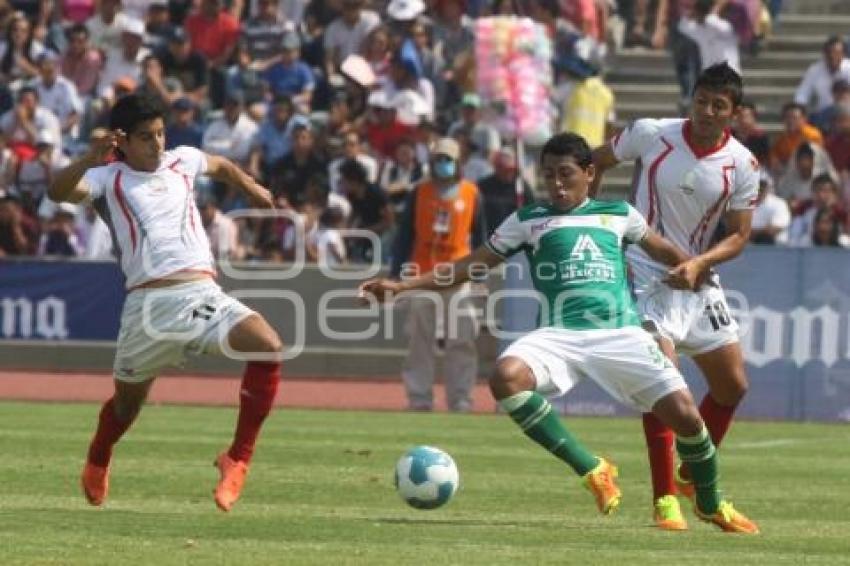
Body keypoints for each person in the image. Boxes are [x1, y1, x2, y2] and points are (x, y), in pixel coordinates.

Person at [360, 132, 759, 533]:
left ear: (589, 173)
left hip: (621, 333)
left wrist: (690, 267)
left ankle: (710, 504)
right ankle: (592, 469)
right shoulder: (527, 220)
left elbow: (663, 250)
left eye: (565, 173)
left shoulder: (619, 213)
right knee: (505, 377)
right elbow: (470, 265)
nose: (556, 184)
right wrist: (402, 286)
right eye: (548, 175)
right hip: (559, 334)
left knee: (689, 420)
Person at [48, 93, 282, 512]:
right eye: (145, 137)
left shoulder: (182, 160)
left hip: (200, 294)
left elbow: (222, 165)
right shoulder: (108, 178)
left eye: (160, 133)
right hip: (148, 308)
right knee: (126, 404)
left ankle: (238, 458)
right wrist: (88, 159)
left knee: (267, 345)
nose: (157, 144)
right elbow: (57, 190)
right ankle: (99, 456)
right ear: (121, 141)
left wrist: (250, 185)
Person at [591, 62, 761, 531]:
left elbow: (740, 235)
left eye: (718, 106)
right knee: (664, 384)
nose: (706, 111)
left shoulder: (743, 164)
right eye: (701, 101)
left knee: (732, 387)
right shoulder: (651, 134)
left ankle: (692, 476)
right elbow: (596, 162)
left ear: (734, 113)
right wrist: (600, 230)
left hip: (697, 278)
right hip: (645, 273)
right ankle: (665, 500)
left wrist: (700, 264)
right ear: (692, 99)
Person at [389, 137, 486, 412]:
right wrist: (396, 274)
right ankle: (419, 398)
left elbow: (480, 239)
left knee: (462, 339)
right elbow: (404, 235)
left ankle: (461, 399)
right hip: (422, 274)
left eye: (447, 159)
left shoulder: (471, 193)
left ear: (457, 163)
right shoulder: (419, 192)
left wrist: (479, 276)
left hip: (459, 274)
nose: (441, 164)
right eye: (437, 159)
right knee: (419, 340)